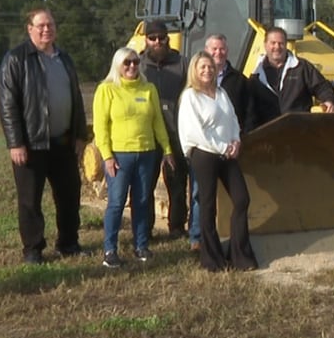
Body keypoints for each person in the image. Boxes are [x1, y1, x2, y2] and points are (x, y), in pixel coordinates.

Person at [0, 8, 89, 264]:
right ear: (29, 29)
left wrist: (80, 135)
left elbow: (76, 99)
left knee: (70, 196)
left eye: (50, 24)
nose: (46, 29)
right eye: (41, 25)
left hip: (63, 142)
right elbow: (7, 104)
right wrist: (15, 142)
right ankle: (33, 250)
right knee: (30, 201)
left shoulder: (65, 59)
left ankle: (69, 243)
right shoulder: (16, 59)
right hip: (31, 144)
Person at [94, 47, 174, 268]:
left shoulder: (148, 89)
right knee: (117, 202)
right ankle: (110, 250)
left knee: (141, 201)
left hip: (146, 153)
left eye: (135, 62)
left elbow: (158, 121)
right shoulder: (106, 90)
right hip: (119, 156)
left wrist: (167, 149)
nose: (131, 67)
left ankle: (141, 246)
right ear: (117, 65)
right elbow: (101, 128)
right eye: (127, 63)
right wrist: (107, 156)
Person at [178, 52, 258, 272]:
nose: (207, 71)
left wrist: (236, 141)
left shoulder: (221, 93)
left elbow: (232, 119)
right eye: (202, 67)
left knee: (242, 199)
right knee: (208, 204)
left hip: (227, 153)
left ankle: (239, 254)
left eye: (210, 67)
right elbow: (196, 132)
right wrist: (223, 147)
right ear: (195, 70)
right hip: (204, 155)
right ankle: (212, 259)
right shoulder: (190, 97)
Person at [137, 20, 191, 240]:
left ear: (168, 38)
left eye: (161, 37)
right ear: (146, 40)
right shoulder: (137, 65)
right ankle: (145, 228)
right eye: (153, 38)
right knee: (145, 183)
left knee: (177, 182)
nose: (157, 41)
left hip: (175, 131)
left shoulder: (182, 63)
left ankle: (177, 226)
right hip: (147, 134)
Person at [249, 26, 334, 128]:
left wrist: (328, 100)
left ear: (286, 45)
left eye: (281, 43)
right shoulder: (256, 75)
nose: (277, 47)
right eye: (273, 43)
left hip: (299, 131)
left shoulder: (301, 67)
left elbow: (322, 86)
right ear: (265, 45)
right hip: (268, 134)